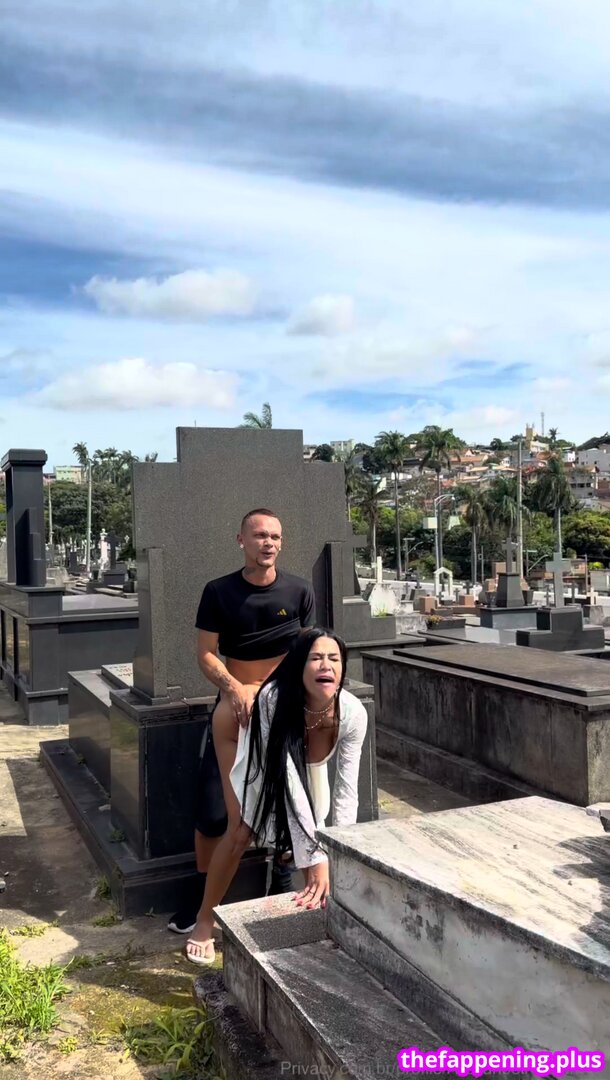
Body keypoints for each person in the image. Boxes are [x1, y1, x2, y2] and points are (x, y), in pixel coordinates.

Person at [168, 508, 316, 934]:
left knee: (291, 803)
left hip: (283, 709)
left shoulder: (299, 591)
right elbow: (206, 653)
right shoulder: (218, 591)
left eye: (275, 536)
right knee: (214, 813)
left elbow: (309, 651)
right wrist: (234, 688)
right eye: (259, 535)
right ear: (241, 540)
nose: (268, 543)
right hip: (234, 710)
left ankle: (282, 881)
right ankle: (202, 894)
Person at [185, 627, 368, 965]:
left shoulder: (353, 714)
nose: (326, 665)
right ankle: (204, 920)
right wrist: (316, 857)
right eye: (315, 658)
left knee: (318, 823)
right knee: (242, 829)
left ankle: (314, 910)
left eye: (334, 659)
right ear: (299, 665)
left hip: (299, 758)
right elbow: (288, 783)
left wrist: (337, 855)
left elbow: (347, 792)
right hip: (243, 733)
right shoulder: (273, 700)